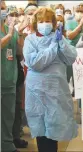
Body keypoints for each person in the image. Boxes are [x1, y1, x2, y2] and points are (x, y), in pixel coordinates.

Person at [23, 7, 78, 152]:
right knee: (41, 128)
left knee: (54, 128)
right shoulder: (30, 40)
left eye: (47, 21)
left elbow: (71, 58)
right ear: (36, 22)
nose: (44, 24)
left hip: (56, 90)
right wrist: (54, 47)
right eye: (41, 21)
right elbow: (35, 63)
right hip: (37, 92)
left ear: (53, 23)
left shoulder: (59, 38)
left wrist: (62, 43)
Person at [1, 1, 25, 152]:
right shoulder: (9, 31)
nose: (2, 11)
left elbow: (19, 52)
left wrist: (19, 33)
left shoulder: (9, 28)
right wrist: (10, 34)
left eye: (3, 8)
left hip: (10, 79)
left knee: (8, 117)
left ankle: (7, 144)